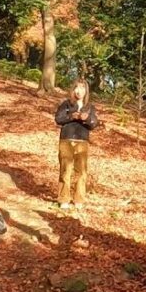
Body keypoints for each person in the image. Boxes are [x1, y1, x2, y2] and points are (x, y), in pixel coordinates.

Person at [54, 79, 98, 210]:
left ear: (86, 91)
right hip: (66, 140)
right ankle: (63, 199)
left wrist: (87, 119)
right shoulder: (66, 104)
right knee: (65, 170)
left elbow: (94, 124)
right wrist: (72, 116)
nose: (79, 91)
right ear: (73, 90)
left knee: (81, 172)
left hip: (82, 141)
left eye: (82, 88)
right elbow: (58, 119)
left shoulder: (90, 107)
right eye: (77, 88)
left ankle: (79, 199)